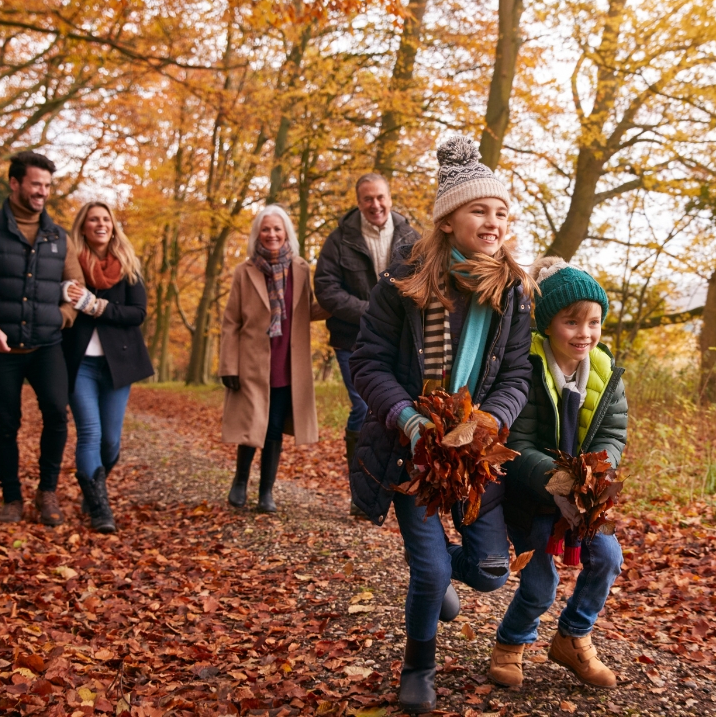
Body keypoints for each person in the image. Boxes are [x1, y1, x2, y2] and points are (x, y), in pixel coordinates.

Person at [349, 137, 538, 714]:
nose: (493, 221)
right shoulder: (402, 283)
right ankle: (418, 665)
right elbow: (368, 361)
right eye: (480, 209)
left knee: (487, 570)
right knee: (429, 571)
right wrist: (409, 421)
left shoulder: (514, 293)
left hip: (475, 451)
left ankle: (439, 592)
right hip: (415, 450)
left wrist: (489, 421)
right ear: (448, 219)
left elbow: (516, 375)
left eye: (502, 212)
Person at [485, 257, 628, 690]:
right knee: (541, 581)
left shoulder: (606, 373)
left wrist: (595, 472)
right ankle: (511, 642)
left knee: (607, 558)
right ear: (547, 324)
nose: (584, 333)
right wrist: (554, 477)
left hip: (581, 495)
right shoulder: (527, 369)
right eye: (572, 322)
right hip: (532, 494)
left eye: (594, 322)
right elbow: (519, 442)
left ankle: (573, 636)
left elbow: (614, 433)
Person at [0, 151, 83, 525]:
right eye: (35, 184)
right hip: (1, 347)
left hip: (47, 346)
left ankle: (47, 492)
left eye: (46, 185)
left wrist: (65, 316)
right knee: (7, 423)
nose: (42, 192)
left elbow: (78, 288)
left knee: (58, 415)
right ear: (15, 184)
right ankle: (11, 496)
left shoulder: (59, 237)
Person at [313, 173, 419, 513]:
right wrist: (370, 312)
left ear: (390, 198)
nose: (375, 205)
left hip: (397, 342)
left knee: (394, 408)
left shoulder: (411, 236)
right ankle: (362, 494)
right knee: (363, 408)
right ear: (358, 203)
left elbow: (423, 282)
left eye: (380, 197)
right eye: (367, 199)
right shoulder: (339, 239)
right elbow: (326, 290)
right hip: (351, 340)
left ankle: (392, 488)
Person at [220, 205, 329, 513]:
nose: (271, 235)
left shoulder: (301, 268)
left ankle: (266, 491)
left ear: (286, 233)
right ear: (258, 233)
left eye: (277, 229)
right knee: (252, 424)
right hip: (252, 361)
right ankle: (240, 481)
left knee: (274, 427)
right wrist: (228, 365)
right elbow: (231, 322)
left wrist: (340, 302)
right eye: (266, 229)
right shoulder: (245, 271)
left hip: (287, 360)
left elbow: (309, 308)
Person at [60, 201, 154, 533]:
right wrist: (64, 293)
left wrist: (98, 306)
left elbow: (138, 313)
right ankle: (101, 509)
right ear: (83, 226)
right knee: (90, 433)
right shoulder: (69, 264)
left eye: (106, 220)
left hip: (118, 364)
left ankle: (92, 487)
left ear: (113, 226)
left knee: (111, 442)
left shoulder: (128, 265)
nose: (101, 224)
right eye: (93, 220)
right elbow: (53, 297)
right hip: (79, 363)